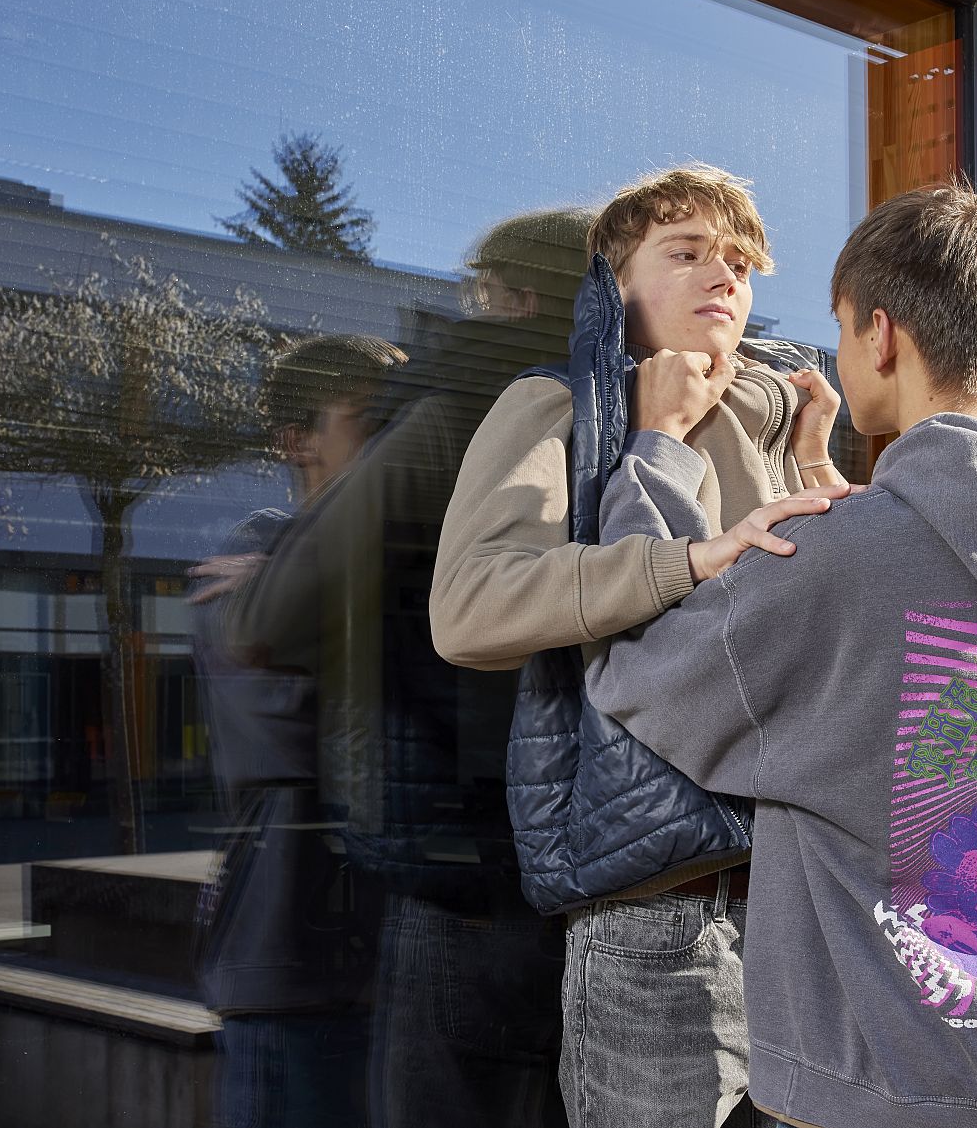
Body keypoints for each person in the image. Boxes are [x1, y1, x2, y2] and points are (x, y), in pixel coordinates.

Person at [582, 182, 977, 1128]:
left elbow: (638, 670)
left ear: (881, 336)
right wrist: (820, 471)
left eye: (843, 330)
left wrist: (656, 447)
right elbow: (914, 617)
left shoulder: (846, 558)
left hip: (899, 1082)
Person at [430, 164, 844, 1128]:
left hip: (802, 900)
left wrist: (820, 459)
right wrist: (679, 542)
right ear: (616, 283)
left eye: (739, 260)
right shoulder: (559, 406)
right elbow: (470, 609)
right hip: (658, 908)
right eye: (687, 252)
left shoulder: (781, 415)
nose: (723, 275)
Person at [207, 209, 595, 1127]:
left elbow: (268, 617)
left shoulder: (452, 411)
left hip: (466, 868)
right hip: (602, 882)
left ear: (518, 294)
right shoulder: (654, 411)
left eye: (486, 293)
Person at [189, 332, 405, 1128]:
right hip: (294, 955)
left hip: (373, 955)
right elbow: (308, 736)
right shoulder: (254, 557)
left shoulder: (363, 567)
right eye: (371, 420)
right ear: (296, 439)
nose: (396, 447)